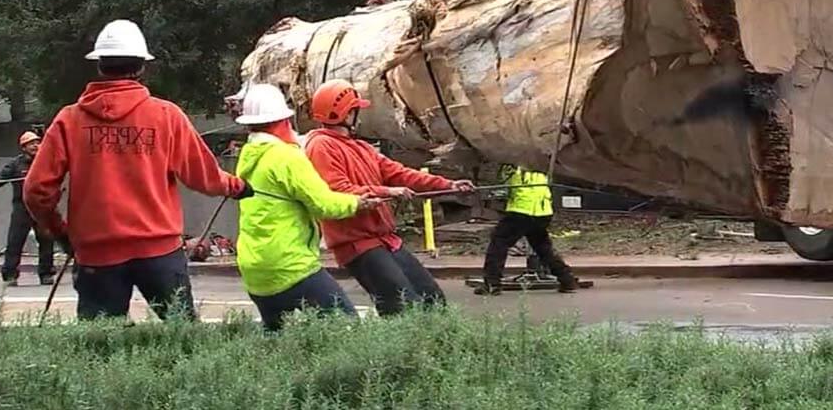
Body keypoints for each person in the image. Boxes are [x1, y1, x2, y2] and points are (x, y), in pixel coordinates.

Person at [23, 19, 253, 321]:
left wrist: (60, 231)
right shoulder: (165, 115)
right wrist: (237, 187)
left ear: (100, 65)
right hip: (159, 252)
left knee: (100, 348)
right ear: (142, 66)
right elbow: (203, 176)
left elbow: (36, 190)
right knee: (181, 340)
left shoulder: (70, 120)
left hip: (97, 253)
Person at [305, 78, 475, 316]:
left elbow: (399, 173)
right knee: (404, 308)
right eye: (355, 110)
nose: (359, 115)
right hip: (358, 244)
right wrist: (388, 191)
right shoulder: (321, 146)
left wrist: (449, 185)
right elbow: (338, 191)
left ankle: (436, 349)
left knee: (432, 300)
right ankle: (405, 352)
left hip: (384, 239)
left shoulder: (360, 147)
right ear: (345, 113)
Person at [233, 83, 384, 330]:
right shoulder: (286, 158)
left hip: (255, 268)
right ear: (284, 120)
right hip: (291, 265)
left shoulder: (249, 155)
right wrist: (358, 202)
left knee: (277, 339)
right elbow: (323, 204)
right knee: (347, 327)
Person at [475, 165, 578, 295]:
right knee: (543, 247)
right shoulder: (543, 168)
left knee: (499, 243)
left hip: (520, 211)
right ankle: (567, 279)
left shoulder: (513, 168)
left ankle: (491, 283)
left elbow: (504, 189)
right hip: (543, 212)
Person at [0, 131, 54, 286]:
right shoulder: (15, 164)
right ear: (24, 147)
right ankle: (10, 275)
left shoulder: (46, 162)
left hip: (42, 206)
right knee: (15, 241)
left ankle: (46, 274)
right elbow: (2, 179)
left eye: (37, 142)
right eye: (31, 143)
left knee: (47, 241)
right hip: (22, 207)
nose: (35, 146)